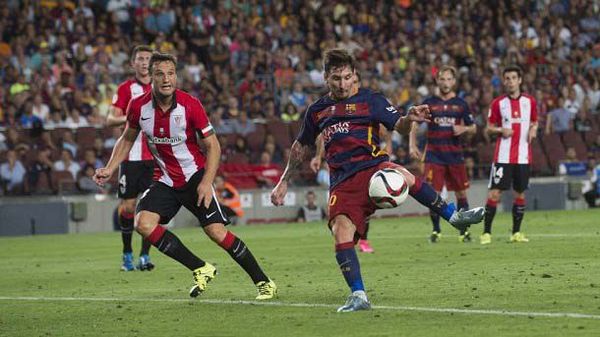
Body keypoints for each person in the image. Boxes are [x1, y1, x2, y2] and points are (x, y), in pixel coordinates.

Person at [271, 49, 483, 312]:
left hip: (373, 166)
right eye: (336, 78)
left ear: (354, 75)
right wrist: (284, 180)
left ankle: (454, 216)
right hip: (342, 181)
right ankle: (359, 295)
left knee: (403, 174)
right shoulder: (317, 111)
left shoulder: (371, 100)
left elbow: (400, 125)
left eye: (347, 77)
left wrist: (410, 117)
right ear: (326, 77)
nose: (343, 84)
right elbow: (300, 146)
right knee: (340, 231)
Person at [94, 52, 276, 300]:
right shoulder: (138, 107)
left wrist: (206, 182)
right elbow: (126, 138)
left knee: (216, 233)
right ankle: (201, 268)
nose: (166, 79)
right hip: (165, 180)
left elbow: (213, 146)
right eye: (160, 74)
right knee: (143, 223)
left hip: (194, 177)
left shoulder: (191, 105)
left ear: (176, 76)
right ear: (152, 78)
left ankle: (264, 282)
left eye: (170, 73)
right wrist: (109, 167)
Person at [409, 65, 476, 243]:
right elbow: (415, 123)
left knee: (461, 194)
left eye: (449, 79)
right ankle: (436, 230)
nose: (445, 83)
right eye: (442, 79)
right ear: (437, 81)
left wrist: (465, 128)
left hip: (455, 156)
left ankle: (464, 230)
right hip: (434, 156)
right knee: (433, 195)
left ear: (454, 81)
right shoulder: (429, 102)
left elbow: (474, 127)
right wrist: (412, 144)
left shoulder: (461, 104)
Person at [106, 45, 155, 271]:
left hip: (156, 158)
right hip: (131, 157)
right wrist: (132, 116)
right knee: (127, 207)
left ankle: (145, 256)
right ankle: (127, 254)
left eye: (148, 59)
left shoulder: (161, 86)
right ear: (133, 63)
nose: (144, 62)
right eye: (140, 58)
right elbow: (110, 119)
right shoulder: (126, 89)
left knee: (151, 208)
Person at [482, 65, 538, 245]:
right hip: (503, 157)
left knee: (520, 194)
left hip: (523, 157)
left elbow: (535, 121)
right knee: (494, 194)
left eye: (514, 77)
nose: (511, 81)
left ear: (520, 80)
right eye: (508, 78)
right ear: (504, 81)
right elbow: (488, 129)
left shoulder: (530, 102)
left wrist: (533, 130)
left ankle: (516, 233)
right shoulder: (498, 103)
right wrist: (500, 130)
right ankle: (486, 233)